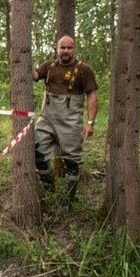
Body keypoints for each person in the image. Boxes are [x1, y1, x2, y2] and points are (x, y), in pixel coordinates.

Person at [33, 35, 98, 207]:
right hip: (46, 120)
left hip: (70, 123)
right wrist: (22, 61)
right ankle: (49, 188)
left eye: (69, 48)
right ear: (57, 49)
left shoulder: (84, 69)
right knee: (35, 152)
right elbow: (34, 75)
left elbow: (92, 95)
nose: (66, 51)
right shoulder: (49, 66)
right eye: (62, 47)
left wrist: (90, 122)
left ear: (74, 49)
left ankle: (68, 201)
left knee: (72, 161)